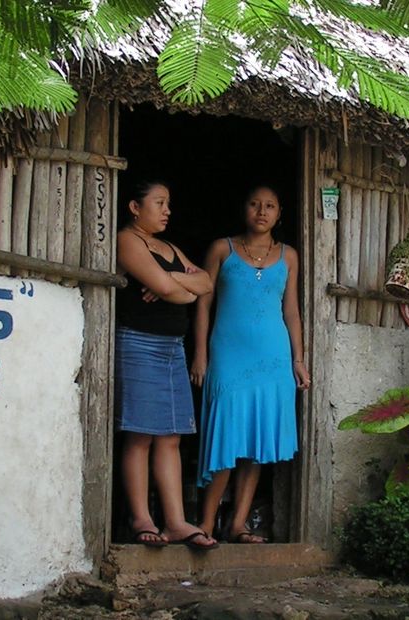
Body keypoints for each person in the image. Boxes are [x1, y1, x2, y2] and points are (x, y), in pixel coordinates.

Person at [191, 185, 310, 544]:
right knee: (225, 439)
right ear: (244, 209)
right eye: (255, 203)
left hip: (272, 358)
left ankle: (237, 524)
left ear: (279, 213)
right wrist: (200, 354)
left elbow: (291, 311)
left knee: (257, 445)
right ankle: (206, 524)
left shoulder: (289, 256)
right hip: (228, 354)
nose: (262, 211)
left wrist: (298, 359)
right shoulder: (220, 249)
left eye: (270, 205)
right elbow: (202, 305)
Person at [115, 180, 219, 551]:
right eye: (159, 203)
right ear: (134, 207)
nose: (166, 210)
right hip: (140, 343)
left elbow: (205, 283)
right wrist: (176, 285)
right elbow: (175, 290)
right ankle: (141, 518)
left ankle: (175, 522)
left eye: (168, 203)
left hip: (172, 348)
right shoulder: (129, 240)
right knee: (141, 433)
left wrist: (173, 279)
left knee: (171, 436)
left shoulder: (169, 247)